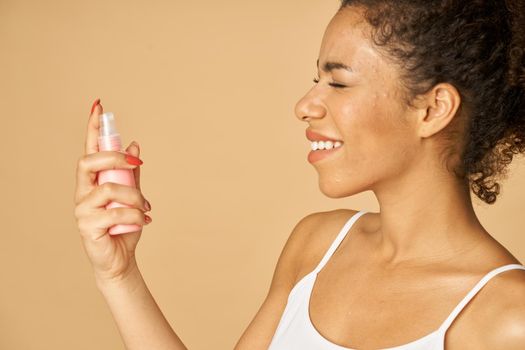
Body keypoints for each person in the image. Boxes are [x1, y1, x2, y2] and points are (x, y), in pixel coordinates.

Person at [73, 1, 525, 349]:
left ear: (432, 109)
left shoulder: (508, 317)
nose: (304, 106)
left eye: (339, 82)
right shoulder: (317, 247)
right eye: (316, 79)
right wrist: (120, 274)